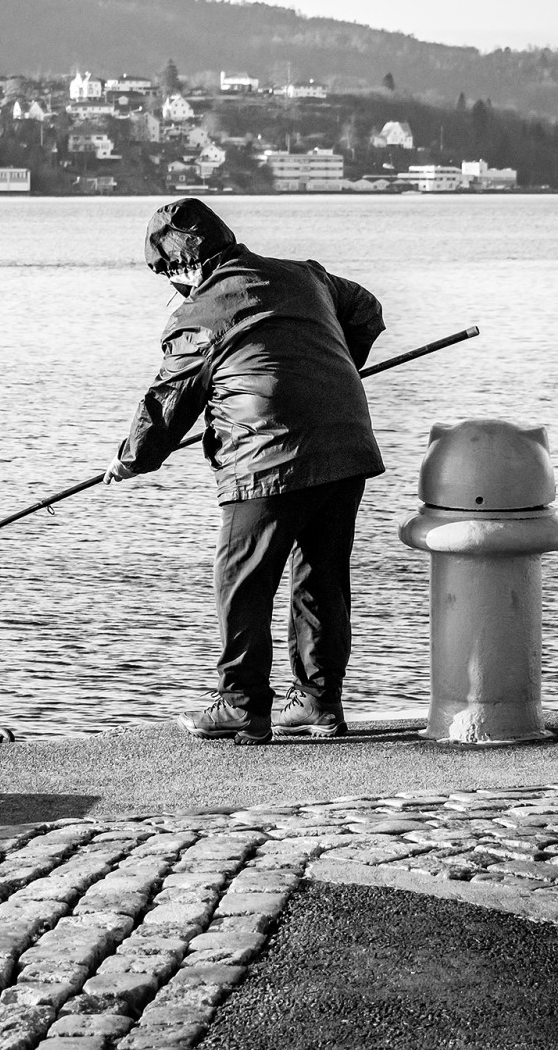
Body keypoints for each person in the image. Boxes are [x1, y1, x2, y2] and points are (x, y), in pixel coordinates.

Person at [104, 198, 385, 745]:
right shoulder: (305, 276)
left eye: (169, 276)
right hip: (343, 439)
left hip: (265, 453)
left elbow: (171, 397)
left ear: (184, 267)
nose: (173, 289)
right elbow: (366, 310)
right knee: (321, 577)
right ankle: (320, 703)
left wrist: (131, 457)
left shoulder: (198, 310)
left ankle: (242, 705)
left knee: (242, 579)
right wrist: (333, 366)